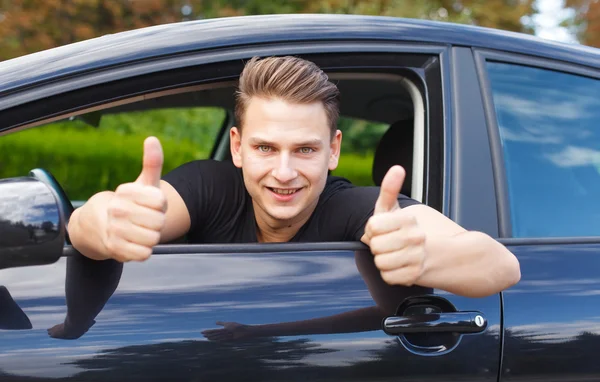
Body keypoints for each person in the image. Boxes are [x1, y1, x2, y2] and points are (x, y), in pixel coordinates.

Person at [67, 56, 520, 298]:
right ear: (239, 147)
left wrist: (423, 258)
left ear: (334, 150)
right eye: (266, 148)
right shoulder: (212, 188)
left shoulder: (353, 209)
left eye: (305, 149)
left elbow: (499, 266)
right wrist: (107, 222)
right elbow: (90, 223)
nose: (284, 173)